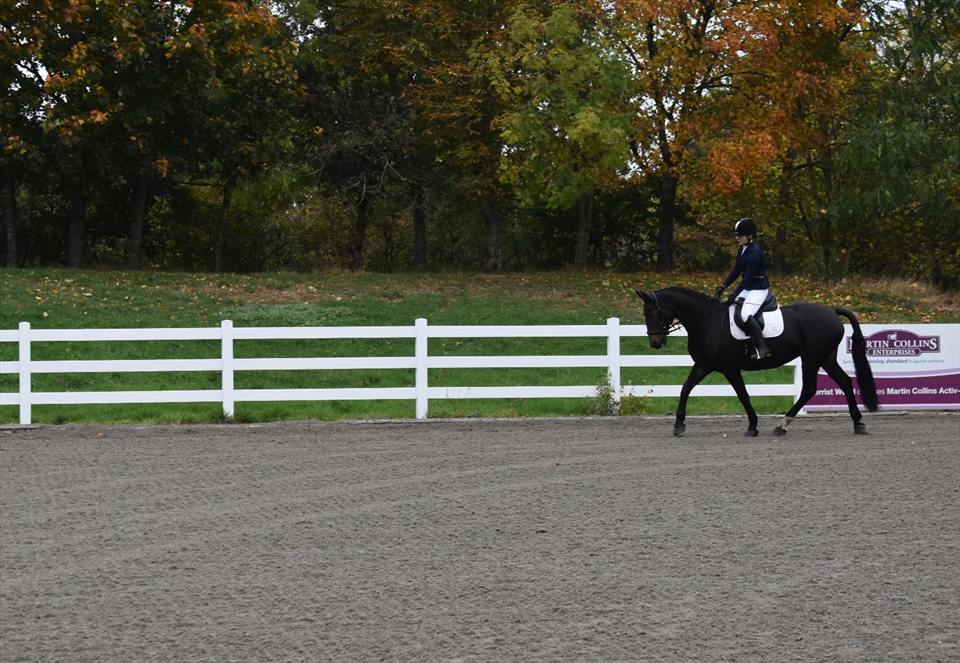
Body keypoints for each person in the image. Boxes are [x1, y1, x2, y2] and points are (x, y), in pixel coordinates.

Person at [714, 217, 771, 359]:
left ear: (750, 236)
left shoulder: (755, 252)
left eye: (740, 236)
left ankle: (762, 347)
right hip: (749, 287)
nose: (738, 239)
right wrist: (723, 285)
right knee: (732, 310)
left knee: (745, 314)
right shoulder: (743, 249)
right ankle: (746, 344)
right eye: (737, 236)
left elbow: (747, 278)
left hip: (758, 289)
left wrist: (734, 293)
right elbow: (736, 270)